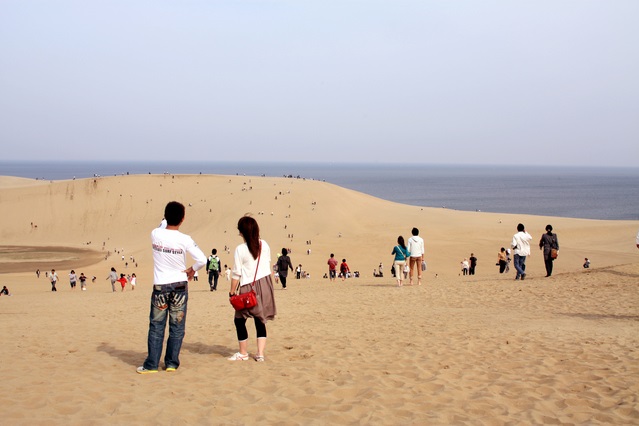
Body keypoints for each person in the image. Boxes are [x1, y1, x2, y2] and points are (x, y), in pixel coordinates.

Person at [137, 201, 206, 374]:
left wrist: (164, 220)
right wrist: (192, 270)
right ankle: (171, 363)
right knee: (177, 325)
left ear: (165, 216)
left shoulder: (156, 234)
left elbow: (161, 226)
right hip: (179, 285)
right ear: (182, 219)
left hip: (161, 286)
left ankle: (152, 364)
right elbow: (202, 260)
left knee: (156, 325)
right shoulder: (185, 239)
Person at [228, 215, 277, 362]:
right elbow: (266, 264)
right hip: (265, 285)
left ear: (242, 232)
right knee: (260, 319)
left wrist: (232, 292)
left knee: (239, 320)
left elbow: (236, 273)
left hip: (248, 287)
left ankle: (243, 353)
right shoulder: (265, 244)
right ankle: (260, 354)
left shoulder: (240, 249)